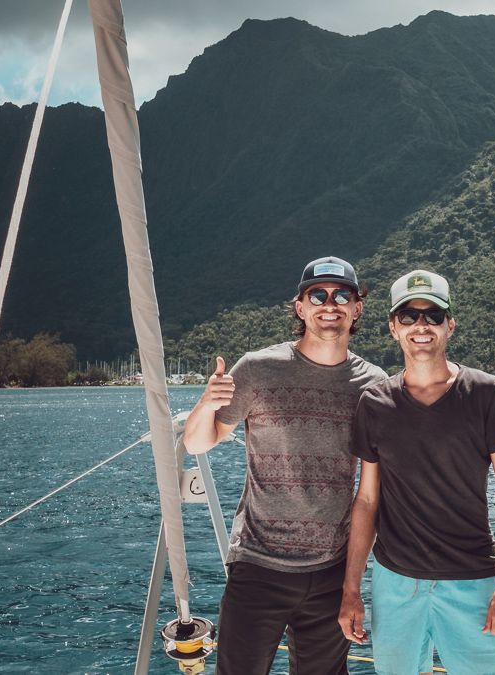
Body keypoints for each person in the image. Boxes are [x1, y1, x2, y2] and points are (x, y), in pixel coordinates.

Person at [183, 256, 387, 675]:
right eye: (318, 294)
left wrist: (353, 581)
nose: (329, 304)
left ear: (357, 308)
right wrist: (206, 403)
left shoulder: (374, 385)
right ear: (300, 307)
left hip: (331, 570)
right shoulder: (258, 369)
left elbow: (373, 491)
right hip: (258, 564)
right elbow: (198, 441)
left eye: (341, 296)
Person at [338, 270, 495, 675]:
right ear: (393, 328)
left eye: (433, 316)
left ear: (449, 325)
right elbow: (367, 499)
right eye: (408, 316)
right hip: (395, 583)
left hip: (472, 579)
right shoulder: (375, 402)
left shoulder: (486, 393)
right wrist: (351, 589)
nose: (421, 326)